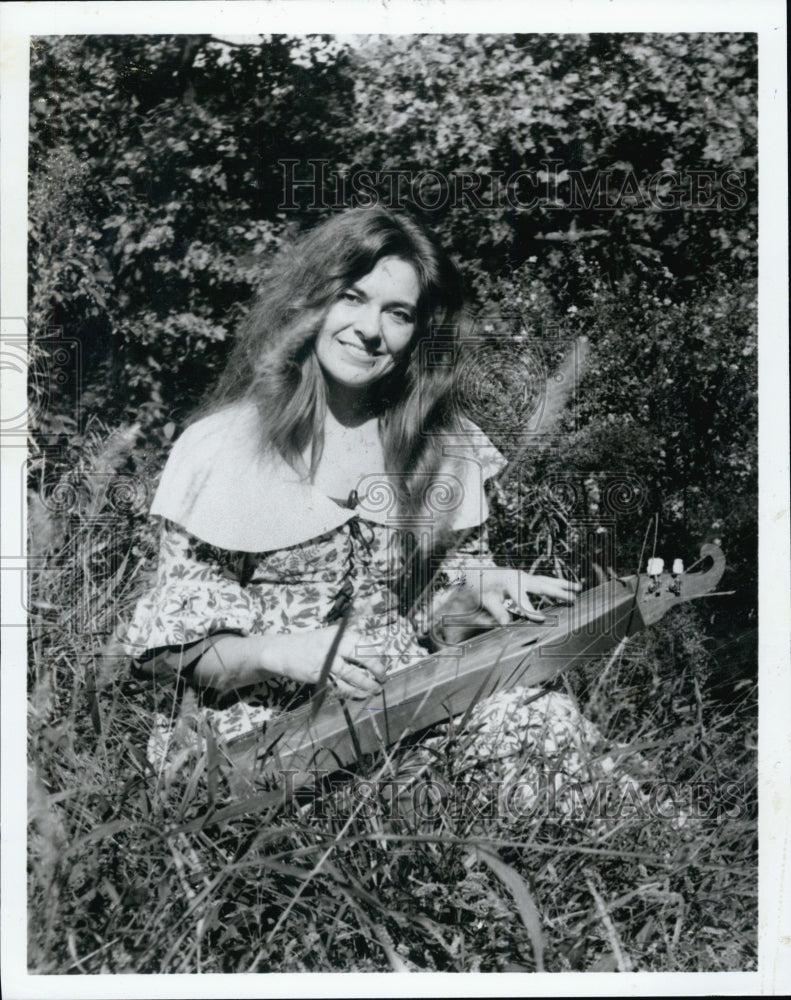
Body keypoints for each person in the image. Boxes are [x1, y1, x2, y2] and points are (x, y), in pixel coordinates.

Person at [121, 207, 582, 769]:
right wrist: (282, 652)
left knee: (545, 724)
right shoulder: (222, 447)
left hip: (405, 697)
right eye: (353, 297)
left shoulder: (439, 446)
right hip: (266, 731)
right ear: (310, 303)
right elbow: (167, 655)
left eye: (398, 314)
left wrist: (477, 593)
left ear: (419, 334)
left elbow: (439, 627)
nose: (370, 329)